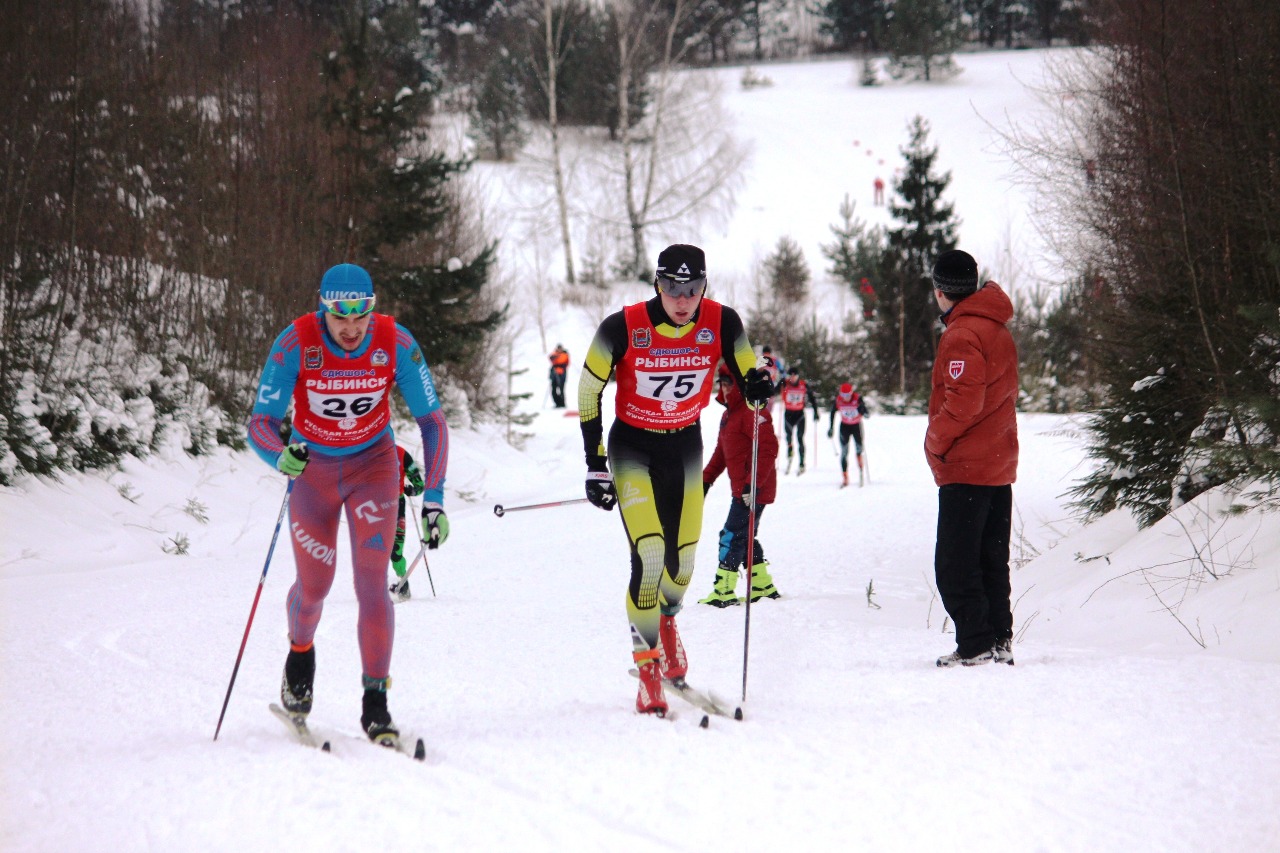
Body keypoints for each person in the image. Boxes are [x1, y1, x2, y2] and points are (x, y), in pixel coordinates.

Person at [247, 263, 451, 745]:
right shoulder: (296, 342)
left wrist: (435, 499)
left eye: (362, 315)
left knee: (372, 584)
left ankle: (376, 704)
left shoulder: (395, 342)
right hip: (314, 472)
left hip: (373, 467)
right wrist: (281, 455)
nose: (352, 327)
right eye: (341, 316)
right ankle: (300, 656)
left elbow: (433, 422)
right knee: (315, 586)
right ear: (324, 308)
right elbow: (260, 423)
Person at [577, 243, 774, 716]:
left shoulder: (722, 322)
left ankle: (667, 621)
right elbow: (588, 389)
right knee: (649, 555)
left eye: (691, 289)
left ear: (704, 286)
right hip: (633, 448)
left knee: (682, 565)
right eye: (671, 288)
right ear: (657, 285)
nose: (682, 300)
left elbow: (749, 370)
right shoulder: (622, 327)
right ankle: (648, 670)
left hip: (684, 446)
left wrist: (758, 385)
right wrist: (595, 462)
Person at [925, 249, 1019, 668]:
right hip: (997, 462)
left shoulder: (962, 334)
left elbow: (963, 403)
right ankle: (998, 639)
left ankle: (976, 643)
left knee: (955, 565)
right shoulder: (996, 327)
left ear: (940, 291)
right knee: (990, 560)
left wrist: (935, 440)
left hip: (967, 466)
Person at [699, 363, 780, 607]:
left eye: (729, 384)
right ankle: (762, 584)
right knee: (745, 536)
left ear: (739, 386)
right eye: (721, 384)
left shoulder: (752, 412)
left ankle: (723, 590)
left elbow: (768, 449)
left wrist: (751, 485)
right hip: (744, 489)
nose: (724, 389)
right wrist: (706, 480)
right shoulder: (729, 415)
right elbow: (721, 453)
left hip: (754, 489)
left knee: (731, 535)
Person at [388, 445, 426, 602]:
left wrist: (412, 490)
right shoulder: (365, 451)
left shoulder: (401, 454)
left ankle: (403, 582)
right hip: (372, 506)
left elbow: (419, 485)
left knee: (395, 552)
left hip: (396, 505)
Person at [779, 366, 820, 475]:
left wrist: (816, 411)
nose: (792, 378)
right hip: (788, 415)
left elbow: (812, 398)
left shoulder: (803, 385)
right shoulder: (784, 383)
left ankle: (802, 463)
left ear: (798, 376)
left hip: (799, 415)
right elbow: (773, 391)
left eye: (795, 375)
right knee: (788, 437)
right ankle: (790, 453)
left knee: (800, 438)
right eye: (791, 375)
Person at [827, 383, 869, 488]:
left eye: (847, 395)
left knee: (859, 450)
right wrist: (831, 427)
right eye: (843, 395)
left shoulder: (857, 399)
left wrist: (862, 410)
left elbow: (867, 414)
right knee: (844, 452)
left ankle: (860, 470)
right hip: (844, 427)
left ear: (851, 393)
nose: (845, 398)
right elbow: (832, 412)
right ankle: (845, 476)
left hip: (856, 427)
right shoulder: (838, 400)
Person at [548, 344, 570, 408]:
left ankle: (562, 403)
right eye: (558, 348)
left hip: (562, 374)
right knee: (553, 389)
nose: (559, 350)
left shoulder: (565, 354)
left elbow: (566, 362)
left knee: (561, 389)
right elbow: (550, 357)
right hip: (554, 374)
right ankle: (557, 403)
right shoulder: (554, 353)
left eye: (560, 348)